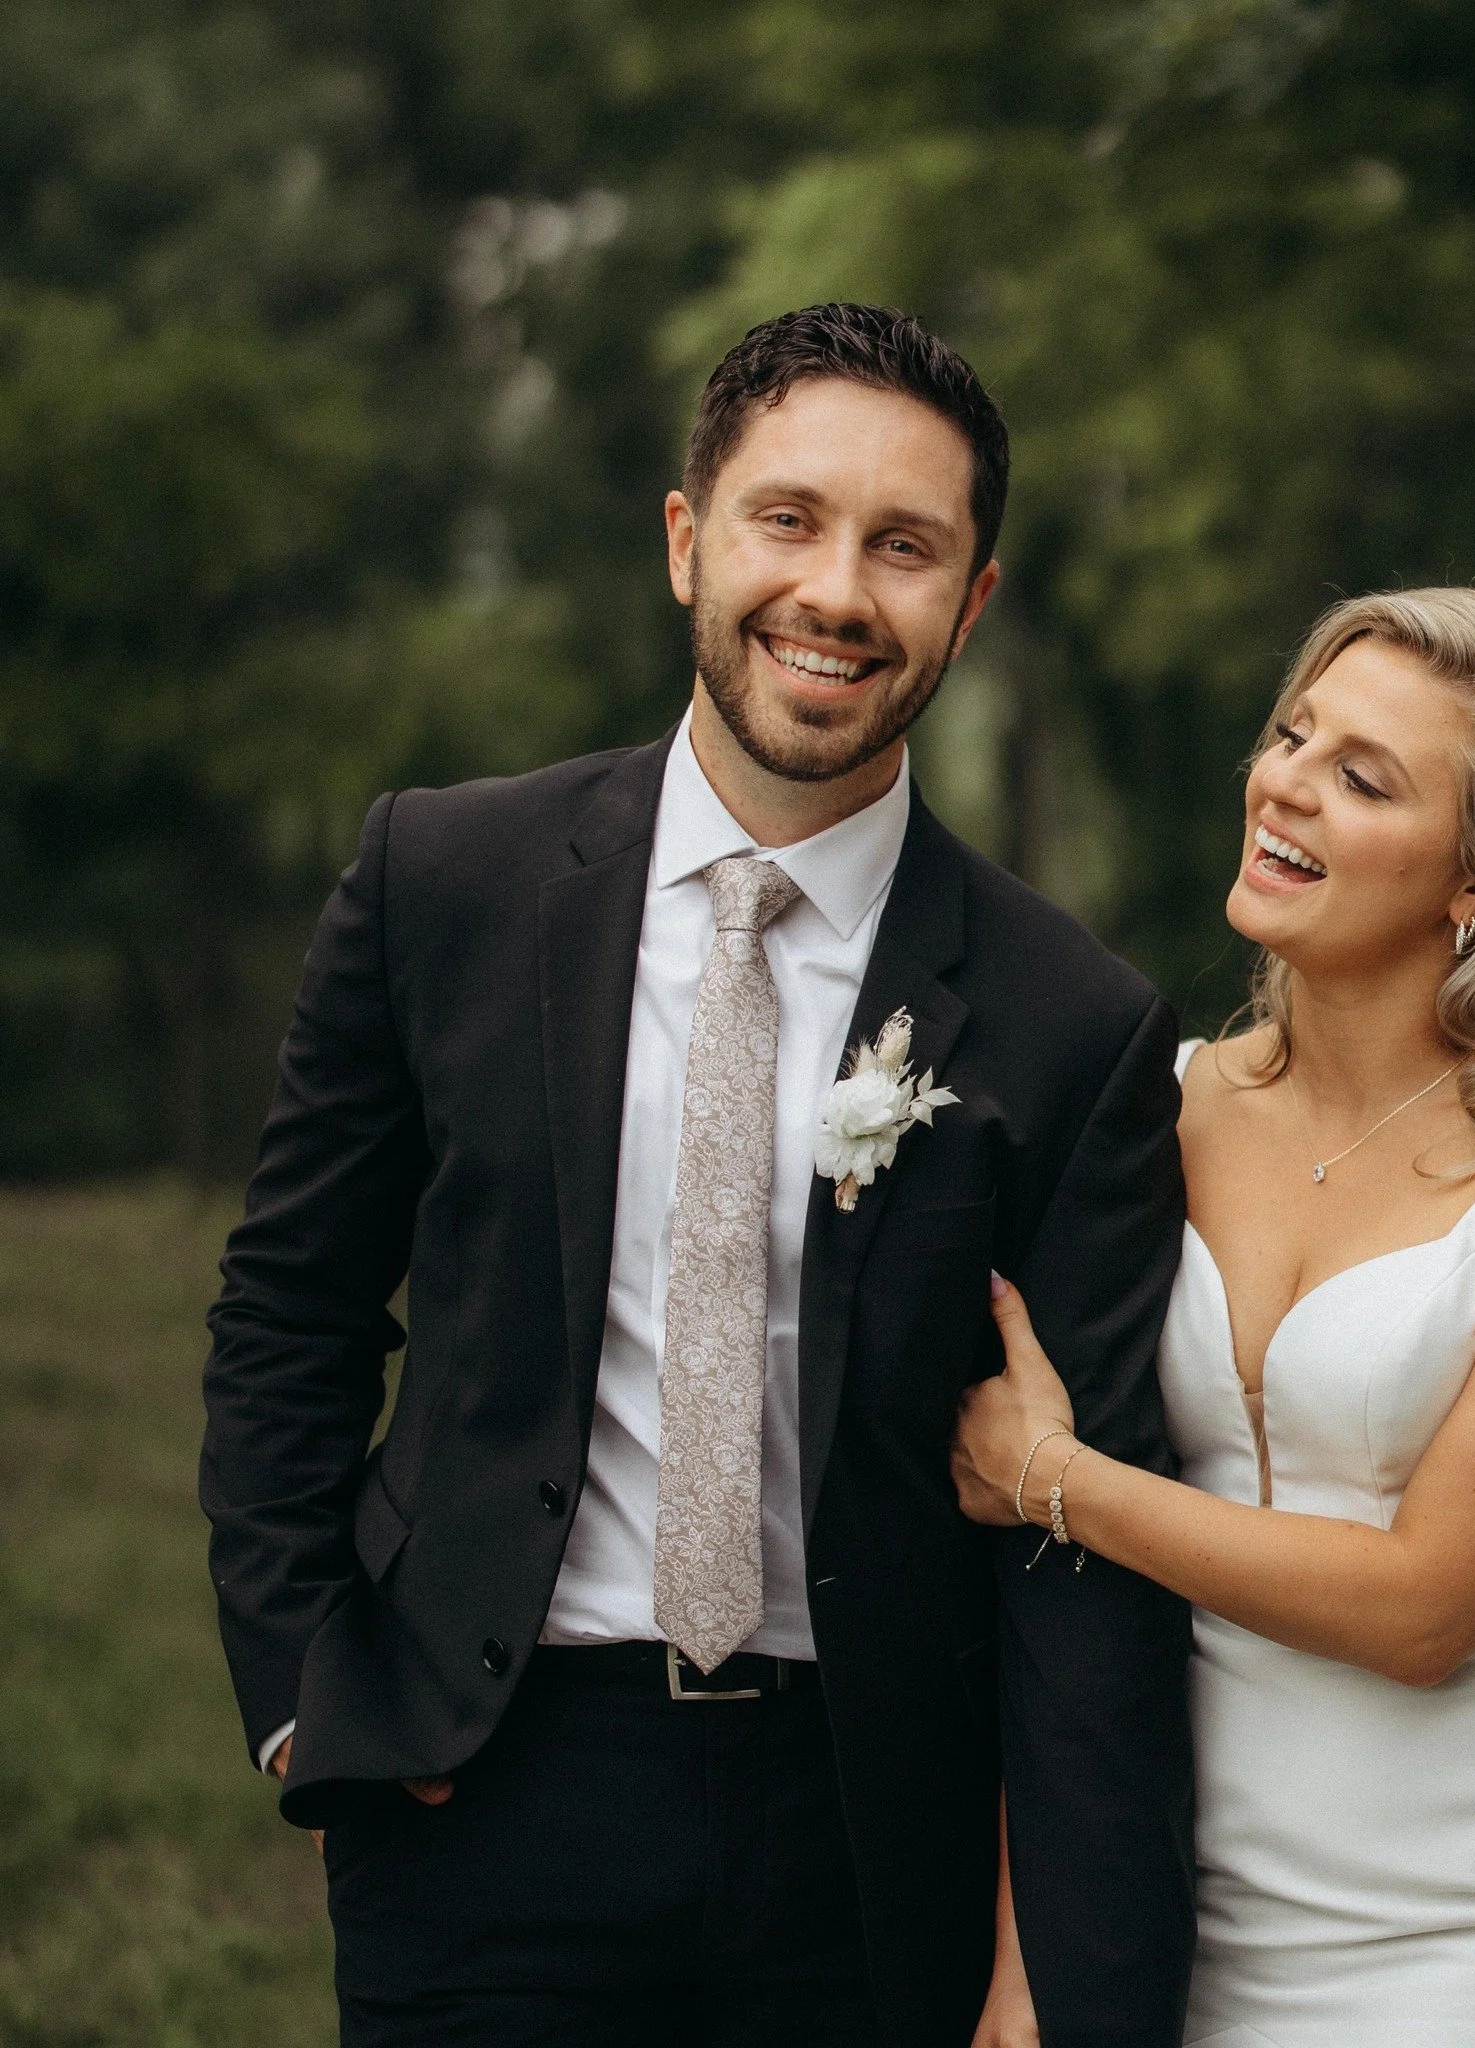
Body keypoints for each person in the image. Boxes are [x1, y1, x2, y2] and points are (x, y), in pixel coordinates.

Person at [200, 302, 1196, 2048]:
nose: (834, 592)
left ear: (969, 604)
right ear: (686, 541)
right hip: (487, 1787)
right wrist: (307, 1695)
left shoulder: (1072, 1022)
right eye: (786, 519)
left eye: (904, 548)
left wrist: (1046, 1972)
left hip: (868, 1835)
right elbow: (292, 1304)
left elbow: (1079, 1554)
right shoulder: (441, 879)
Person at [954, 587, 1475, 2048]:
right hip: (1171, 1907)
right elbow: (1044, 1614)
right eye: (1292, 734)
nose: (1285, 781)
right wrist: (1026, 1937)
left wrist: (1053, 1482)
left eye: (1362, 777)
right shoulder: (1156, 1106)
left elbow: (1427, 1605)